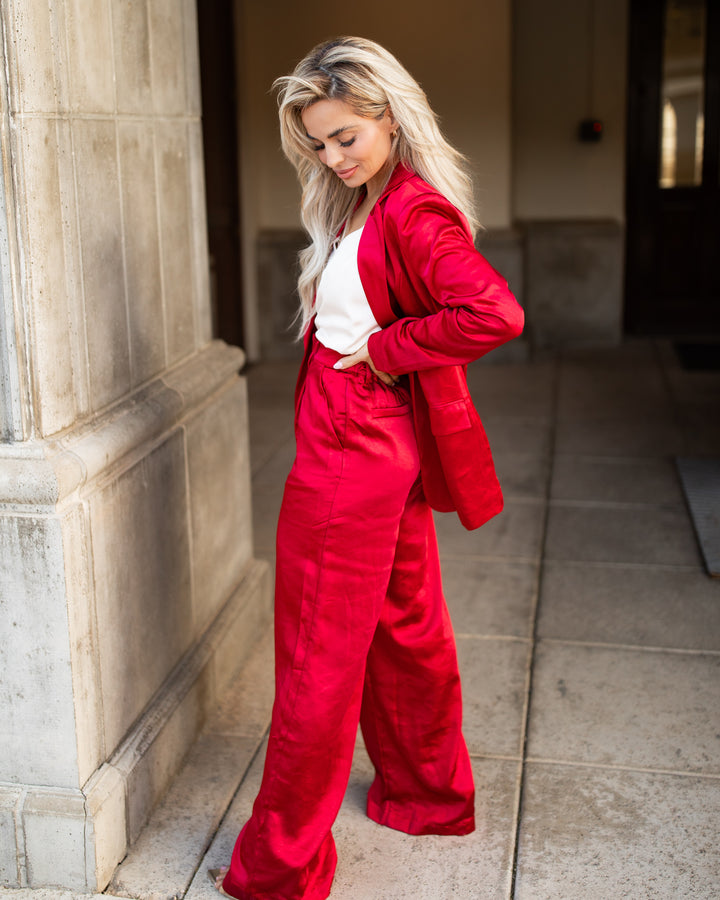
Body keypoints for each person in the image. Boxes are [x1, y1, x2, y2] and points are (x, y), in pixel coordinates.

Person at [211, 36, 524, 900]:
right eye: (318, 140)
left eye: (346, 134)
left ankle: (281, 865)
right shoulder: (365, 199)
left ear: (390, 114)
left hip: (354, 444)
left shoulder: (413, 211)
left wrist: (390, 347)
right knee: (405, 622)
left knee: (316, 648)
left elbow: (495, 311)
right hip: (369, 438)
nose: (331, 154)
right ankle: (428, 795)